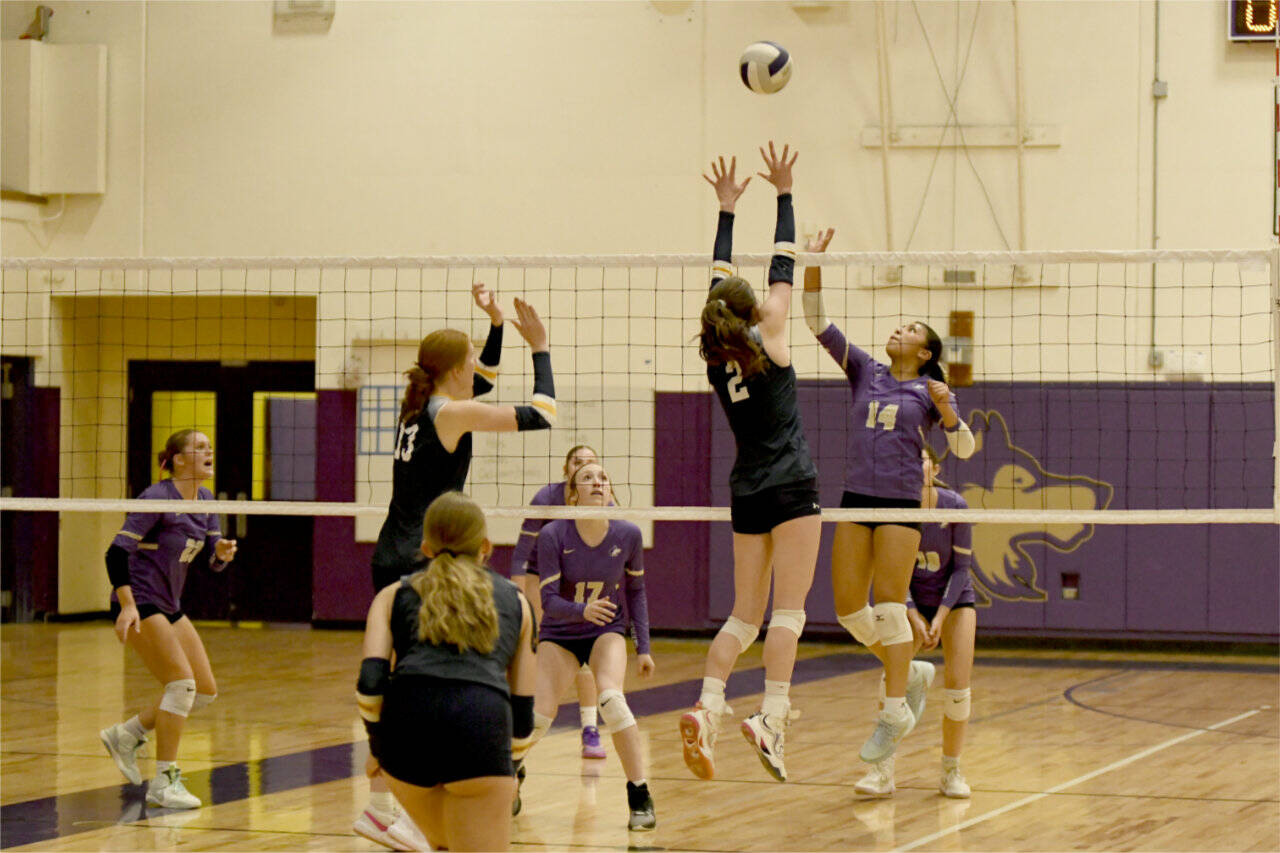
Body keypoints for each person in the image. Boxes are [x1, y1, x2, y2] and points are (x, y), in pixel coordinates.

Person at [356, 284, 554, 848]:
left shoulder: (423, 408)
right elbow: (542, 415)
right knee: (415, 676)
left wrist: (493, 324)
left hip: (394, 551)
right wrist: (539, 347)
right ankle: (383, 804)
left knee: (402, 675)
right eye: (471, 355)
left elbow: (483, 380)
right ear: (452, 368)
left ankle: (403, 796)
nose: (478, 364)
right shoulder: (450, 411)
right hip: (424, 557)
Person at [801, 235, 975, 764]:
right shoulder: (865, 371)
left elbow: (964, 447)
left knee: (888, 604)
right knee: (849, 609)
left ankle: (894, 710)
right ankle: (913, 669)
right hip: (857, 498)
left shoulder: (929, 391)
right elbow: (815, 320)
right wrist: (812, 266)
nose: (897, 330)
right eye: (897, 326)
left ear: (924, 352)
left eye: (910, 330)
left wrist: (947, 412)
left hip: (900, 503)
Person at [679, 143, 822, 784]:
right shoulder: (770, 336)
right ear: (754, 310)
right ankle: (770, 717)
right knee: (787, 612)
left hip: (746, 490)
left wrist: (726, 209)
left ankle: (709, 708)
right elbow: (782, 266)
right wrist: (784, 193)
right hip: (791, 484)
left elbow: (721, 283)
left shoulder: (716, 354)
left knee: (743, 613)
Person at [357, 491, 537, 852]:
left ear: (425, 547)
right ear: (485, 545)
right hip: (479, 725)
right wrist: (509, 767)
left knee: (445, 844)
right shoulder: (517, 602)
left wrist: (379, 747)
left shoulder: (391, 595)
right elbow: (523, 710)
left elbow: (370, 686)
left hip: (407, 732)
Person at [98, 429, 238, 809]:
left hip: (168, 602)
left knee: (204, 692)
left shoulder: (206, 499)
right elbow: (115, 553)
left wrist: (222, 554)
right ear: (178, 459)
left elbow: (211, 562)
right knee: (181, 684)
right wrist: (126, 605)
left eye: (210, 446)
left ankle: (128, 733)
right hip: (139, 599)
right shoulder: (156, 497)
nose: (209, 452)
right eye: (199, 448)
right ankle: (164, 781)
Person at [522, 461, 657, 829]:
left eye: (603, 477)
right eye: (587, 478)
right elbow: (548, 601)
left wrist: (642, 647)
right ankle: (510, 773)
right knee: (537, 717)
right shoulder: (553, 534)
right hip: (561, 632)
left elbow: (636, 592)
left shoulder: (627, 534)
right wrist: (583, 610)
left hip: (605, 632)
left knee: (612, 700)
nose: (597, 482)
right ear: (573, 493)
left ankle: (640, 794)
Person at [856, 446, 976, 799]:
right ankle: (882, 772)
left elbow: (963, 570)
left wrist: (938, 617)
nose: (913, 464)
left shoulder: (955, 506)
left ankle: (951, 771)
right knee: (892, 677)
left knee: (958, 687)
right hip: (907, 598)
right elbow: (891, 572)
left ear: (934, 467)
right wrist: (912, 613)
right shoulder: (894, 506)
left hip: (952, 600)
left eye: (921, 459)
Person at [511, 444, 607, 759]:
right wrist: (518, 583)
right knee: (532, 645)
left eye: (592, 464)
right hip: (541, 575)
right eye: (578, 462)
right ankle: (521, 716)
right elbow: (524, 546)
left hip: (578, 578)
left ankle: (590, 729)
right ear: (567, 470)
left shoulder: (601, 499)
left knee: (587, 652)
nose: (586, 469)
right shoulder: (545, 498)